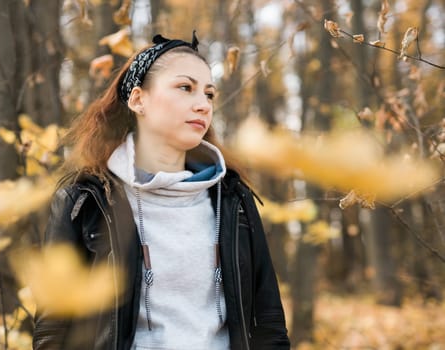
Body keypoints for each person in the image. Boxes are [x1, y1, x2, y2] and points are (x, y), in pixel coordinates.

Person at [33, 32, 290, 350]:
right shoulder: (85, 202)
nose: (202, 105)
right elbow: (52, 332)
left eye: (209, 94)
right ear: (138, 99)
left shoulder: (233, 199)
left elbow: (269, 325)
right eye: (185, 87)